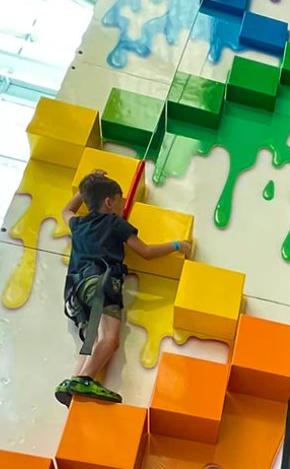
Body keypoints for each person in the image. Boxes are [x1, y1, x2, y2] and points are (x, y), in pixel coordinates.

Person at [55, 170, 191, 406]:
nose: (122, 207)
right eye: (120, 202)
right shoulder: (114, 222)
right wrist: (177, 244)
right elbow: (146, 252)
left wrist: (83, 191)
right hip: (102, 283)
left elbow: (65, 211)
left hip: (76, 290)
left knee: (93, 341)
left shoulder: (78, 224)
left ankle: (74, 387)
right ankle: (85, 378)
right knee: (110, 338)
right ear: (109, 202)